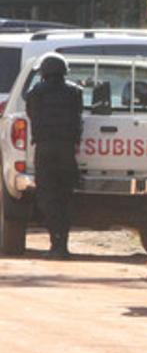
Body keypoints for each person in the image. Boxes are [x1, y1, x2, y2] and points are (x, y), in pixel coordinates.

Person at [25, 53, 83, 260]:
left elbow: (31, 114)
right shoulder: (75, 92)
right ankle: (63, 245)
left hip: (44, 150)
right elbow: (78, 117)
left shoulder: (35, 93)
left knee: (48, 198)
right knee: (65, 196)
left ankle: (55, 243)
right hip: (67, 150)